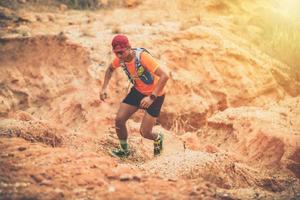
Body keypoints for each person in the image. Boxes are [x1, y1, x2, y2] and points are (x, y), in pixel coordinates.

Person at [100, 34, 169, 157]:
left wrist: (151, 97)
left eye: (121, 52)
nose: (119, 56)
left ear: (129, 48)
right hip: (138, 91)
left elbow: (165, 76)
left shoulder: (142, 57)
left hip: (156, 95)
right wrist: (104, 87)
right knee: (119, 120)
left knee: (145, 132)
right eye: (116, 53)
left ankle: (158, 138)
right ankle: (125, 151)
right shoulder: (120, 60)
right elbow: (110, 69)